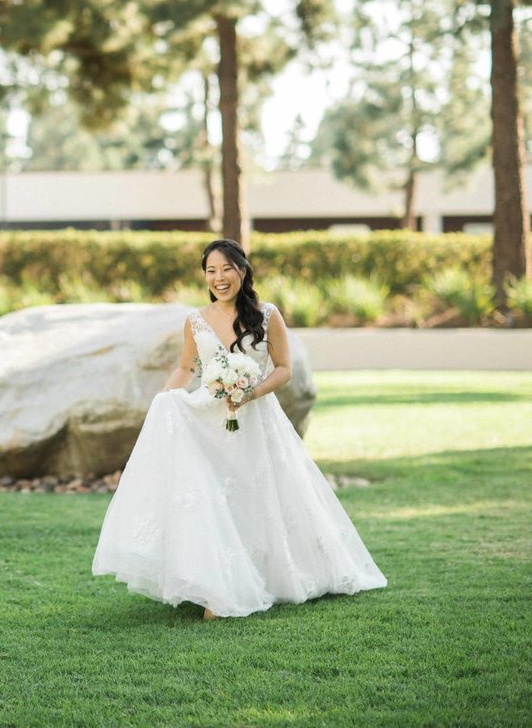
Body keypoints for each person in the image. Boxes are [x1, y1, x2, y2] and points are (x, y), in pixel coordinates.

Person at [92, 238, 386, 619]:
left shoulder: (267, 316)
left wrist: (250, 392)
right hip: (208, 421)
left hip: (257, 420)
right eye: (211, 271)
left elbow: (283, 369)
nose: (219, 278)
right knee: (210, 499)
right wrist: (163, 400)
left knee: (258, 497)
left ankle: (263, 580)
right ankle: (217, 585)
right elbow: (187, 368)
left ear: (242, 271)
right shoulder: (195, 320)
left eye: (226, 269)